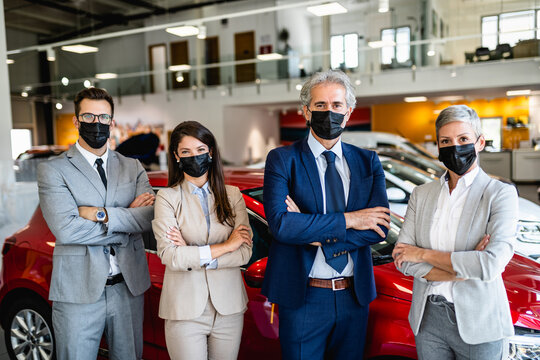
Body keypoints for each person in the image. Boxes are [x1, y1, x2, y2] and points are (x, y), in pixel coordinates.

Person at [262, 69, 390, 360]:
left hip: (353, 296)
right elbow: (282, 225)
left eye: (336, 105)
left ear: (348, 113)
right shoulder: (283, 160)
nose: (328, 112)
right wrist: (351, 219)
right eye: (320, 106)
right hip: (304, 296)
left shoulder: (367, 161)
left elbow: (378, 227)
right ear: (305, 112)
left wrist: (312, 233)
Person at [392, 105, 518, 360]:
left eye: (463, 139)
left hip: (479, 322)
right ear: (438, 148)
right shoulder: (422, 194)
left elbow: (490, 264)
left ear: (479, 142)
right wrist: (460, 272)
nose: (455, 147)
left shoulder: (499, 194)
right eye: (446, 141)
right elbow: (403, 259)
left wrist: (422, 253)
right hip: (428, 319)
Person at [37, 87, 155, 359]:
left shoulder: (132, 166)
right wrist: (126, 223)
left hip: (128, 287)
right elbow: (66, 229)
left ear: (112, 122)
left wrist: (100, 213)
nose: (97, 124)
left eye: (104, 117)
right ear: (76, 121)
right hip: (77, 290)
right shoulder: (54, 170)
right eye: (89, 117)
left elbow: (149, 217)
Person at [152, 121, 253, 360]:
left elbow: (245, 252)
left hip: (228, 308)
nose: (194, 157)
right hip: (185, 310)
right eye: (185, 152)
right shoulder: (167, 198)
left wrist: (192, 252)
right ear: (176, 156)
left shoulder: (233, 195)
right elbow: (171, 256)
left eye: (199, 150)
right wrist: (227, 245)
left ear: (211, 152)